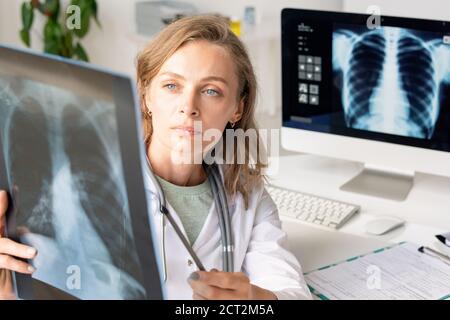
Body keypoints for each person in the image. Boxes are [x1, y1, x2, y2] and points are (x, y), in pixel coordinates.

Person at [0, 15, 312, 300]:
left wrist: (255, 301)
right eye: (172, 86)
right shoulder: (93, 181)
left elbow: (293, 293)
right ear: (147, 95)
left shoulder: (246, 194)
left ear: (237, 109)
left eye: (211, 91)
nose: (188, 106)